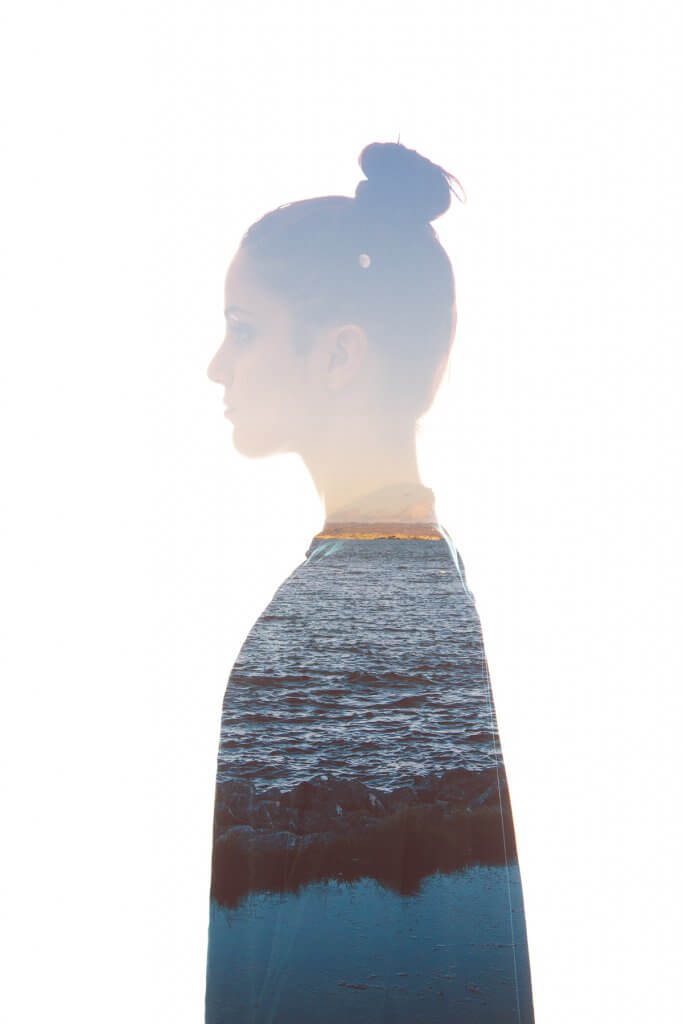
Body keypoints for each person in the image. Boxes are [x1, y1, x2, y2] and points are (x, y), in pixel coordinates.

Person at [205, 141, 534, 1023]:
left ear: (339, 356)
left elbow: (344, 960)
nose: (216, 368)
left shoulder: (353, 610)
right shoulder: (420, 575)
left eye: (242, 331)